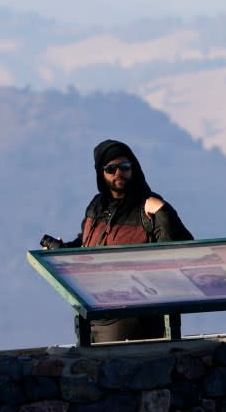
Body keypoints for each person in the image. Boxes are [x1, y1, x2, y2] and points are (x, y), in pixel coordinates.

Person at [49, 139, 193, 342]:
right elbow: (87, 243)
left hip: (136, 316)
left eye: (124, 167)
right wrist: (63, 250)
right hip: (92, 313)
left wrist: (162, 211)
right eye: (111, 168)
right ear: (101, 172)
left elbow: (181, 247)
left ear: (133, 168)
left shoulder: (148, 207)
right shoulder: (96, 206)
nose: (119, 173)